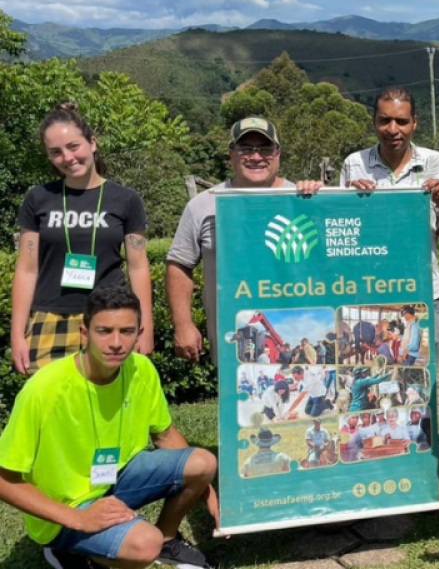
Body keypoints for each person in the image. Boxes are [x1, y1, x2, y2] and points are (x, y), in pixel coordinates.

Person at [0, 286, 218, 569]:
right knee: (143, 545)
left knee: (202, 462)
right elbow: (4, 479)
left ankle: (167, 539)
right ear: (84, 333)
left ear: (139, 334)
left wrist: (209, 494)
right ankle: (68, 549)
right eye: (104, 331)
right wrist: (78, 518)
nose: (116, 342)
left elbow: (165, 436)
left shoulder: (141, 369)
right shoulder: (44, 389)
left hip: (115, 480)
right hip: (66, 508)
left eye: (126, 331)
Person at [10, 102, 154, 375]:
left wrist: (144, 326)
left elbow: (138, 266)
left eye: (73, 146)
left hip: (111, 316)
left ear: (92, 143)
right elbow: (27, 269)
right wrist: (17, 333)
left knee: (107, 407)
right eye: (56, 152)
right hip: (50, 315)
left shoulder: (126, 199)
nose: (67, 157)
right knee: (51, 408)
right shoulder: (38, 198)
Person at [166, 117, 322, 364]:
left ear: (278, 153)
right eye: (246, 149)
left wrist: (341, 197)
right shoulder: (203, 205)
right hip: (232, 346)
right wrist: (183, 324)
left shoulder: (304, 200)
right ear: (232, 154)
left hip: (296, 325)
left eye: (265, 149)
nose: (256, 157)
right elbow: (179, 264)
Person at [341, 86, 439, 362]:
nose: (392, 129)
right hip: (370, 290)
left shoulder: (437, 163)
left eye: (402, 121)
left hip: (424, 294)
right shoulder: (354, 165)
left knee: (421, 375)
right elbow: (345, 236)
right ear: (374, 122)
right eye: (385, 120)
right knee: (379, 369)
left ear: (415, 123)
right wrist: (347, 201)